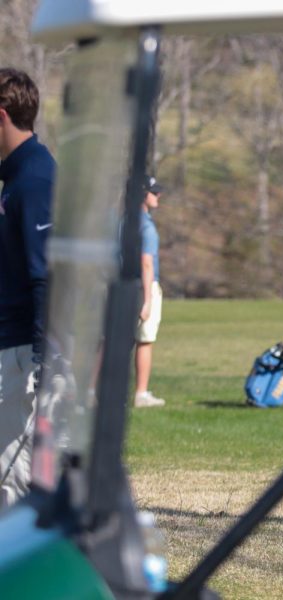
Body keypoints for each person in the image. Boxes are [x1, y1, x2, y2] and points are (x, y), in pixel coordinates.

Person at [0, 68, 56, 507]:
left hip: (24, 355)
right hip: (13, 350)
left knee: (13, 479)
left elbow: (47, 275)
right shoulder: (15, 178)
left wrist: (42, 360)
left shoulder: (35, 179)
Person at [134, 175, 165, 408]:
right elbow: (147, 263)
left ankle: (93, 390)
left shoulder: (121, 221)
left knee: (106, 342)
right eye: (154, 192)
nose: (158, 196)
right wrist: (147, 300)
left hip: (120, 285)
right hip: (144, 286)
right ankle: (141, 393)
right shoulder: (146, 226)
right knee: (145, 340)